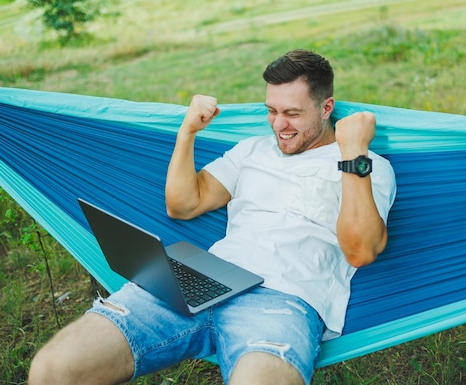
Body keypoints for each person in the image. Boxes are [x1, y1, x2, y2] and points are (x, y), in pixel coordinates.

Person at [28, 49, 397, 385]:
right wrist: (187, 131)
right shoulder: (252, 150)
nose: (279, 125)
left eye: (293, 114)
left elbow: (360, 251)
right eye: (271, 110)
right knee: (52, 370)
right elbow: (184, 203)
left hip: (283, 297)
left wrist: (352, 154)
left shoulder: (367, 167)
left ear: (327, 107)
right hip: (204, 273)